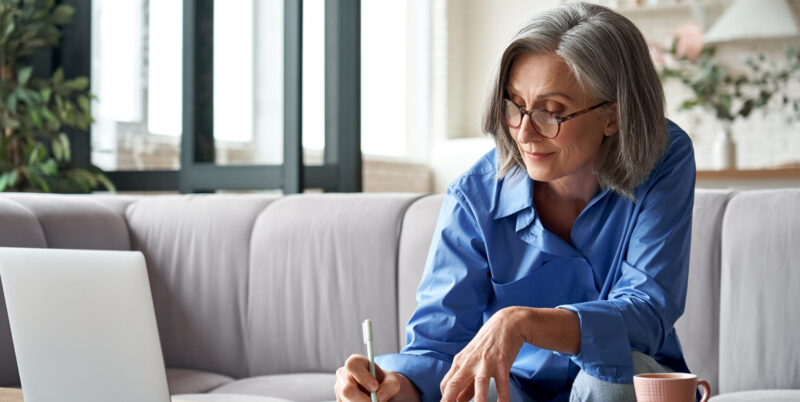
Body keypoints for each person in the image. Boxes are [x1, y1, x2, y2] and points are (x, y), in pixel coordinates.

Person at [334, 2, 696, 401]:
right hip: (517, 391)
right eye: (514, 106)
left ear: (613, 116)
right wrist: (388, 388)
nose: (523, 133)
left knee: (605, 377)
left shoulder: (663, 157)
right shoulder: (474, 195)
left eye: (551, 112)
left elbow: (647, 311)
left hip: (624, 382)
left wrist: (522, 322)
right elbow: (437, 349)